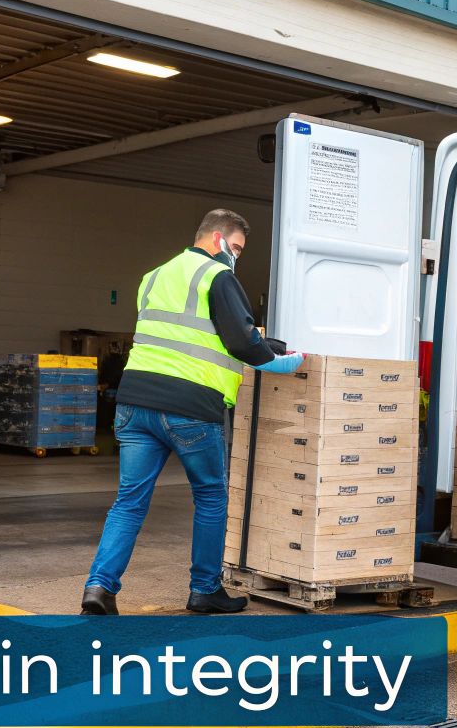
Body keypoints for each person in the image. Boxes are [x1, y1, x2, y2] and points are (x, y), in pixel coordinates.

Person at [81, 208, 303, 615]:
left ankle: (99, 587)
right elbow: (239, 342)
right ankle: (205, 591)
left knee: (129, 502)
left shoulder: (153, 277)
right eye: (236, 247)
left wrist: (264, 342)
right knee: (211, 497)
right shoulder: (218, 276)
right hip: (189, 409)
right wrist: (278, 360)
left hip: (134, 404)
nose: (236, 255)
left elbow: (193, 332)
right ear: (218, 240)